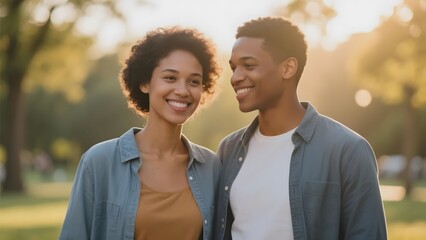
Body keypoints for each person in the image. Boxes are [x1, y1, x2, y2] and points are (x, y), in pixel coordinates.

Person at [214, 17, 387, 240]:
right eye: (234, 67)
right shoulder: (228, 150)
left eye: (249, 65)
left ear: (288, 68)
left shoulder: (348, 150)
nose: (236, 77)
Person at [60, 26, 221, 240]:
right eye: (170, 78)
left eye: (194, 81)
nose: (183, 90)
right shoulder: (99, 162)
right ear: (145, 82)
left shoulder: (212, 167)